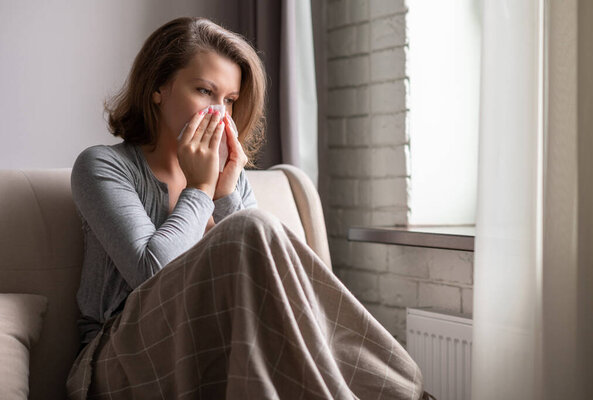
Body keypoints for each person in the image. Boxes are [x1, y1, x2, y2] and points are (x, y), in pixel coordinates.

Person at [66, 16, 424, 399]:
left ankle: (397, 385)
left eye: (230, 100)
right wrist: (202, 189)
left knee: (258, 239)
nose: (219, 113)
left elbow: (259, 286)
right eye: (205, 91)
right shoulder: (102, 166)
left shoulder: (230, 181)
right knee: (253, 226)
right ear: (158, 87)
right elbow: (152, 275)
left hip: (211, 339)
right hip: (116, 361)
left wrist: (225, 192)